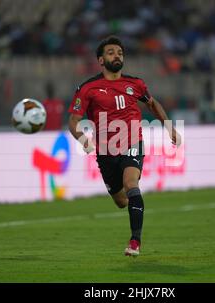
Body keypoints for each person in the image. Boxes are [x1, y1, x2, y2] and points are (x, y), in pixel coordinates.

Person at [67, 36, 181, 257]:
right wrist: (83, 139)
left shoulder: (135, 84)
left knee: (131, 183)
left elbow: (152, 103)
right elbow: (73, 120)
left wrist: (169, 126)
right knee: (121, 201)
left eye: (119, 52)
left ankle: (135, 241)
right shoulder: (88, 88)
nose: (116, 55)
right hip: (105, 150)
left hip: (132, 143)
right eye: (111, 52)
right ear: (100, 60)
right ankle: (134, 206)